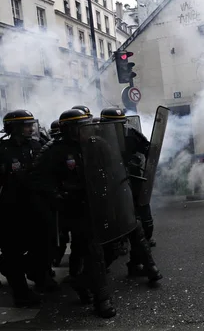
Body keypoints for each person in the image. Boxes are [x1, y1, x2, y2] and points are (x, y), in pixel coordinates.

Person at [31, 109, 117, 318]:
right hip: (75, 208)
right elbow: (38, 178)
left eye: (86, 125)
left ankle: (81, 281)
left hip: (99, 203)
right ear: (69, 129)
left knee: (110, 248)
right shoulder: (55, 150)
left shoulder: (98, 144)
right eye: (80, 126)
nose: (85, 130)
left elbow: (113, 168)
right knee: (94, 252)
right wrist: (57, 194)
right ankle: (102, 300)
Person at [0, 110, 57, 307]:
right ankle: (21, 293)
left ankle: (39, 276)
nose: (30, 128)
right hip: (11, 208)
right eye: (25, 125)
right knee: (13, 251)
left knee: (45, 244)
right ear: (13, 128)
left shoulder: (37, 145)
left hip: (36, 204)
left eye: (30, 124)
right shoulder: (2, 149)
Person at [99, 108, 162, 278]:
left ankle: (136, 263)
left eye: (121, 123)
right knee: (117, 235)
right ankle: (94, 273)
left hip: (133, 184)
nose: (119, 127)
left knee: (144, 227)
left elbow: (149, 149)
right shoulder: (96, 139)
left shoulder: (130, 134)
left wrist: (137, 161)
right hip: (112, 190)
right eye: (114, 124)